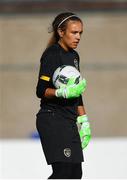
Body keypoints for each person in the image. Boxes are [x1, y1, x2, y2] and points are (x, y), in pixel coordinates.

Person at [36, 12, 91, 179]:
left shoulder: (74, 57)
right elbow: (41, 90)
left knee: (75, 174)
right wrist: (61, 92)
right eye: (74, 32)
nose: (78, 37)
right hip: (52, 119)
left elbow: (77, 92)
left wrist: (84, 120)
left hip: (69, 121)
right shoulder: (52, 54)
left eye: (80, 33)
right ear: (61, 32)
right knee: (63, 173)